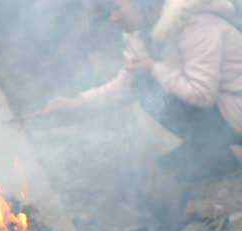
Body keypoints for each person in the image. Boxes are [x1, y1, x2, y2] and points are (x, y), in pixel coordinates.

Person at [36, 0, 242, 180]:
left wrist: (154, 68)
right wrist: (77, 103)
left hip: (236, 107)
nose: (113, 18)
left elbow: (203, 93)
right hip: (221, 110)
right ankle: (213, 153)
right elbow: (124, 86)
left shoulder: (196, 26)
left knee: (147, 86)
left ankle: (211, 152)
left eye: (118, 7)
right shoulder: (140, 36)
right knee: (143, 85)